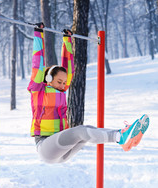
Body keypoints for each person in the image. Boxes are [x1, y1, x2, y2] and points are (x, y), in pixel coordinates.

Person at [27, 23, 149, 164]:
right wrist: (38, 34)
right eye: (59, 81)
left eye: (63, 82)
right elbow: (38, 65)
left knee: (88, 130)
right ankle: (120, 136)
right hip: (46, 146)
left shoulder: (61, 90)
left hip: (63, 150)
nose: (62, 85)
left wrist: (67, 40)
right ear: (48, 79)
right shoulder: (38, 89)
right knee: (81, 130)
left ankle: (125, 138)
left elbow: (69, 69)